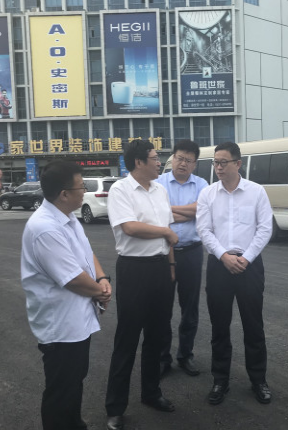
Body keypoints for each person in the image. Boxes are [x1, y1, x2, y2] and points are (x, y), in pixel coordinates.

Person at [21, 160, 112, 430]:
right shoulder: (44, 228)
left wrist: (102, 279)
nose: (84, 191)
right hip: (60, 327)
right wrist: (100, 293)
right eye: (81, 186)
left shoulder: (68, 218)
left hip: (76, 321)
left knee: (73, 383)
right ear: (64, 194)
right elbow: (72, 278)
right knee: (60, 392)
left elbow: (87, 253)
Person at [105, 140, 177, 430]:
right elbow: (130, 227)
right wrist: (165, 234)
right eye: (155, 157)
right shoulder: (120, 190)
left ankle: (151, 393)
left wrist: (171, 266)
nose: (159, 162)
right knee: (127, 339)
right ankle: (115, 408)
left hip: (161, 269)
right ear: (138, 162)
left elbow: (167, 231)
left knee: (157, 336)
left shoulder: (160, 190)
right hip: (134, 270)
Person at [196, 141, 273, 405]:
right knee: (219, 326)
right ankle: (220, 380)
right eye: (215, 163)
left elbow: (265, 229)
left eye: (223, 162)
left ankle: (258, 380)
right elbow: (204, 230)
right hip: (219, 265)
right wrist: (223, 256)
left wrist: (246, 258)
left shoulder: (256, 192)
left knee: (254, 326)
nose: (218, 167)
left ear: (238, 164)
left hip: (249, 266)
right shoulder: (208, 194)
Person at [156, 140, 208, 378]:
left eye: (188, 160)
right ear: (172, 159)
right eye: (179, 158)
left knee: (190, 307)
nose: (183, 163)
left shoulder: (202, 184)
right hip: (163, 253)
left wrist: (171, 210)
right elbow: (157, 214)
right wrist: (187, 211)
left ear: (194, 164)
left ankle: (185, 355)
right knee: (162, 307)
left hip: (192, 252)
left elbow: (201, 210)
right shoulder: (158, 184)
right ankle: (162, 357)